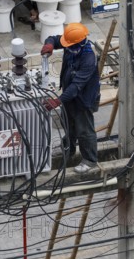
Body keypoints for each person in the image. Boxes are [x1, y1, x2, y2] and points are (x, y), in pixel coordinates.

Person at [40, 23, 100, 173]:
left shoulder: (88, 59)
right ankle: (68, 149)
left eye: (70, 45)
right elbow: (54, 39)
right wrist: (49, 44)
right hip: (69, 96)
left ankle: (90, 160)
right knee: (67, 124)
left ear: (80, 42)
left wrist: (57, 101)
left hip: (83, 99)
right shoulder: (70, 42)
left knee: (84, 130)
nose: (67, 47)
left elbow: (76, 86)